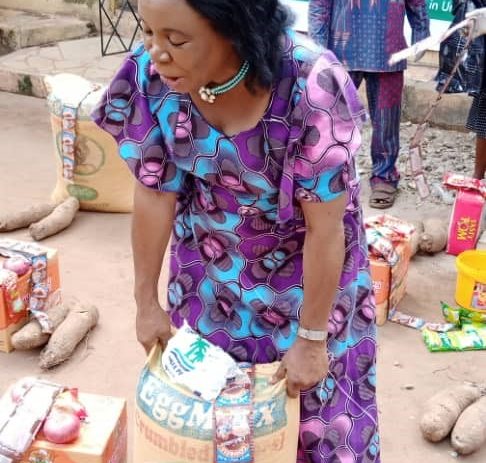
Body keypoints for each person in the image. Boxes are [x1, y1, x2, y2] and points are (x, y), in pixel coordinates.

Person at [93, 0, 380, 461]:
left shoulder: (312, 85)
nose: (156, 52)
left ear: (235, 28)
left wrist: (311, 340)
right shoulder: (152, 78)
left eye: (177, 39)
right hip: (209, 274)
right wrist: (145, 302)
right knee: (213, 421)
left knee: (314, 424)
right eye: (147, 31)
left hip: (308, 281)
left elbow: (326, 231)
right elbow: (153, 192)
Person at [308, 0, 430, 208]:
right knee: (332, 120)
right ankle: (329, 176)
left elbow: (418, 3)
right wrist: (318, 49)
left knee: (386, 122)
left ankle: (384, 177)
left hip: (388, 52)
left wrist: (421, 36)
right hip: (341, 53)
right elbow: (319, 6)